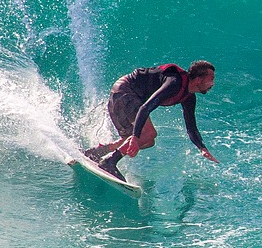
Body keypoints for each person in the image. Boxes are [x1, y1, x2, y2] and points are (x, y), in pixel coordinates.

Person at [86, 60, 219, 176]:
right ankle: (110, 162)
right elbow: (146, 107)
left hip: (127, 96)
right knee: (148, 134)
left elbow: (191, 127)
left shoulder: (189, 97)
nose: (212, 83)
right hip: (125, 91)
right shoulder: (175, 82)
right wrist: (135, 136)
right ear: (198, 79)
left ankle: (98, 153)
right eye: (211, 79)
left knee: (148, 141)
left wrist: (202, 148)